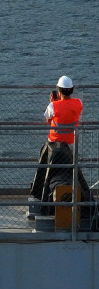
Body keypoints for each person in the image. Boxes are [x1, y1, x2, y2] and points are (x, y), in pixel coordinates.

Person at [29, 76, 88, 211]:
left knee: (49, 169)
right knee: (72, 169)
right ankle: (74, 194)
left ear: (58, 90)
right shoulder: (78, 103)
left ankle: (43, 193)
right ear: (71, 90)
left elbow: (49, 121)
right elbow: (70, 114)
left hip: (54, 144)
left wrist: (54, 102)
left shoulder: (53, 105)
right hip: (71, 143)